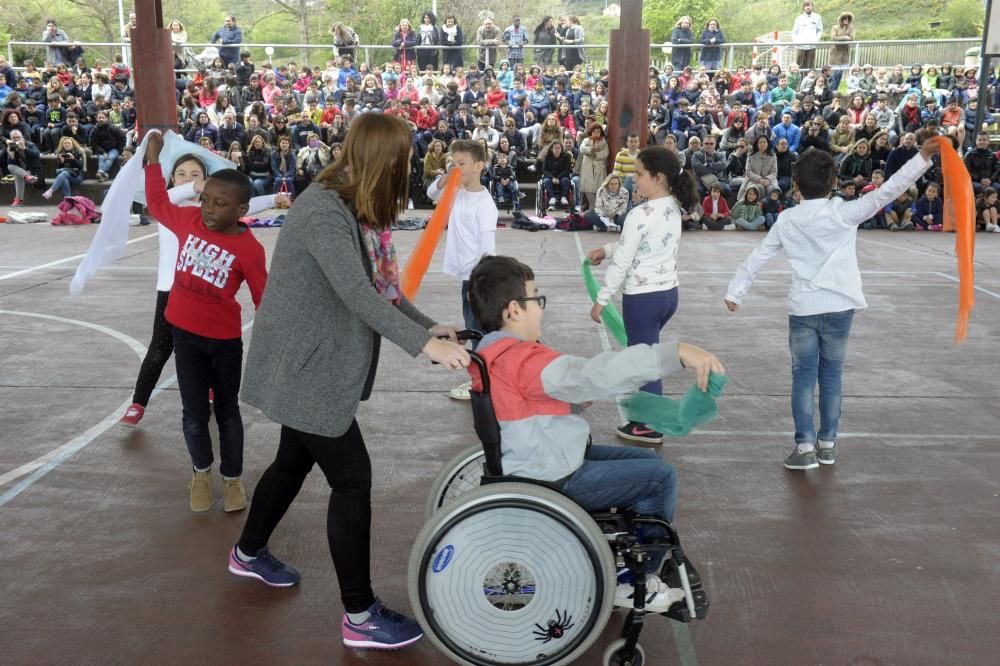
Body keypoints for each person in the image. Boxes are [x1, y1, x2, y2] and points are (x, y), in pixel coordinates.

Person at [228, 113, 469, 651]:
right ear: (382, 160)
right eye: (403, 159)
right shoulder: (322, 211)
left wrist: (430, 326)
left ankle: (247, 553)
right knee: (353, 478)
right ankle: (359, 613)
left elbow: (382, 291)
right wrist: (425, 346)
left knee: (292, 460)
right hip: (304, 365)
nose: (408, 168)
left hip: (316, 362)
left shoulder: (354, 211)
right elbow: (357, 297)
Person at [466, 254, 725, 611]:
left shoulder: (493, 353)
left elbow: (528, 398)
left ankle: (630, 553)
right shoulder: (523, 359)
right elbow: (594, 373)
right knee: (659, 477)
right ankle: (635, 582)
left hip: (539, 455)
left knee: (641, 458)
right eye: (536, 298)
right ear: (513, 310)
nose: (541, 307)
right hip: (553, 474)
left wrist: (572, 398)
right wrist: (675, 353)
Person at [724, 138, 941, 470]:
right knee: (832, 375)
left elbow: (759, 256)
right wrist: (923, 156)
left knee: (803, 377)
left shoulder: (787, 220)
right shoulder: (845, 212)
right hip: (840, 308)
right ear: (834, 183)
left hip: (803, 309)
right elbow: (888, 190)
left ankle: (804, 447)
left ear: (794, 186)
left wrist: (736, 291)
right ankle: (827, 444)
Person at [118, 147, 290, 429]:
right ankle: (138, 403)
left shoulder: (206, 213)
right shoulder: (177, 212)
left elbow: (241, 205)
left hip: (206, 296)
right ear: (171, 179)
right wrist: (162, 167)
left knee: (209, 347)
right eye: (181, 174)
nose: (188, 179)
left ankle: (211, 392)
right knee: (160, 350)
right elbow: (160, 198)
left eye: (195, 175)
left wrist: (274, 198)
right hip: (171, 291)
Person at [140, 131, 266, 512]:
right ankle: (200, 472)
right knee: (194, 413)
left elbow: (265, 300)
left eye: (220, 204)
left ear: (241, 210)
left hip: (225, 342)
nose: (209, 209)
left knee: (227, 412)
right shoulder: (188, 220)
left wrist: (274, 347)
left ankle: (232, 480)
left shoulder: (249, 249)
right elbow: (158, 201)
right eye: (206, 199)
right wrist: (151, 161)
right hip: (186, 338)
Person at [585, 147, 699, 445]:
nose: (633, 180)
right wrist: (605, 251)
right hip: (667, 296)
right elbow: (638, 247)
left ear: (658, 177)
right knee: (647, 355)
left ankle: (649, 425)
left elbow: (624, 259)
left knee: (645, 362)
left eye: (638, 174)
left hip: (642, 300)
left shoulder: (640, 213)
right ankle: (644, 417)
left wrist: (603, 298)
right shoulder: (673, 206)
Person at [426, 139, 498, 399]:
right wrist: (448, 176)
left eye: (461, 164)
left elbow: (487, 252)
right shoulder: (455, 190)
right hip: (467, 277)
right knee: (476, 328)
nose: (456, 168)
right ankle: (484, 380)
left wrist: (478, 286)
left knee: (478, 332)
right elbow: (432, 194)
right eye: (453, 163)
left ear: (479, 166)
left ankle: (481, 384)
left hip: (476, 280)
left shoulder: (485, 205)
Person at [1, 130, 40, 206]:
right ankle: (26, 177)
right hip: (22, 173)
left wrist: (25, 148)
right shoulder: (10, 147)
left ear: (22, 137)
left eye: (18, 137)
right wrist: (11, 155)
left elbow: (37, 155)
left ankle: (19, 200)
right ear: (10, 138)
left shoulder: (30, 144)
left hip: (32, 171)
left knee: (18, 176)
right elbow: (10, 165)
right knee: (11, 167)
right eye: (13, 138)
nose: (16, 139)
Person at [578, 123, 609, 210]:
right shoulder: (586, 140)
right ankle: (592, 210)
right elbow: (582, 149)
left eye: (598, 131)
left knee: (599, 191)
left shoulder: (604, 142)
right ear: (590, 132)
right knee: (589, 191)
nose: (596, 133)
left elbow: (606, 153)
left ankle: (595, 211)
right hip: (587, 169)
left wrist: (596, 154)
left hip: (599, 169)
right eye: (594, 131)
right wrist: (591, 150)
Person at [791, 2, 823, 71]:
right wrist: (796, 42)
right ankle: (798, 81)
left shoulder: (817, 17)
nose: (807, 7)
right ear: (803, 8)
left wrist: (816, 40)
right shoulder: (799, 18)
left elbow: (820, 30)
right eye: (806, 6)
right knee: (798, 66)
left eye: (809, 5)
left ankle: (809, 81)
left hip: (811, 46)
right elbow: (794, 32)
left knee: (810, 66)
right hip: (800, 46)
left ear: (812, 7)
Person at [828, 12, 854, 91]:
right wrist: (845, 37)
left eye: (848, 18)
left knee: (841, 72)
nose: (846, 20)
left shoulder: (851, 28)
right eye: (844, 18)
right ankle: (832, 88)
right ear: (841, 19)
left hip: (845, 52)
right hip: (836, 52)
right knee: (835, 71)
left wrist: (845, 37)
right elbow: (834, 37)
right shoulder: (835, 27)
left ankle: (836, 88)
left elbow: (852, 37)